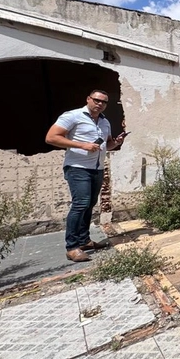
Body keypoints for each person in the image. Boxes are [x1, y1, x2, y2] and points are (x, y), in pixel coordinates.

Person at [45, 90, 127, 262]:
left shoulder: (104, 122)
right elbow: (51, 137)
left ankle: (84, 241)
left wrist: (116, 142)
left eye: (104, 102)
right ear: (88, 99)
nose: (100, 104)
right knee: (80, 204)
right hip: (78, 168)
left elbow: (106, 145)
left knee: (89, 205)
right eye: (96, 100)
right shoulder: (72, 116)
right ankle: (72, 247)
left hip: (97, 169)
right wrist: (82, 145)